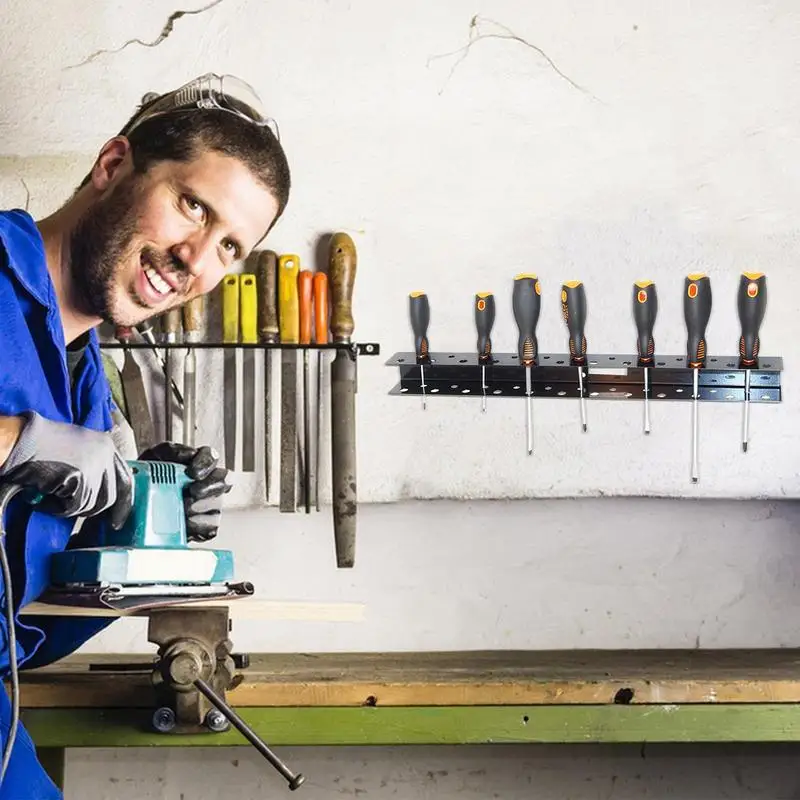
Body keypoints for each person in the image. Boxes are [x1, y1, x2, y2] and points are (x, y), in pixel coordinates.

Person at [0, 73, 291, 798]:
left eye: (230, 247)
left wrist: (129, 532)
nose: (197, 260)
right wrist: (18, 443)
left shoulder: (90, 392)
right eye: (193, 206)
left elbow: (23, 629)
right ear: (112, 166)